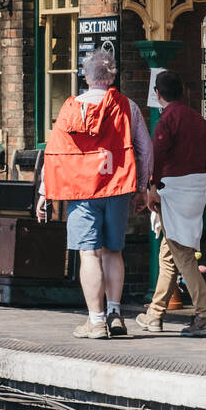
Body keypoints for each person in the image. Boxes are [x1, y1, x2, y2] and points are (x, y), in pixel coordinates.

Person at [37, 49, 152, 339]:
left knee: (89, 253)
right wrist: (141, 187)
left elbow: (54, 153)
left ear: (86, 77)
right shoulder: (128, 107)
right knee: (114, 251)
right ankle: (115, 313)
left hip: (81, 190)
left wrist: (44, 192)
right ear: (112, 76)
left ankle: (96, 320)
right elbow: (145, 149)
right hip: (116, 188)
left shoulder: (70, 108)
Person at [137, 70, 206, 337]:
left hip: (172, 190)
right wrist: (200, 187)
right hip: (196, 189)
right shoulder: (199, 119)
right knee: (169, 255)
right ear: (182, 90)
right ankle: (155, 315)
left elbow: (157, 156)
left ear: (157, 94)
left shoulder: (167, 120)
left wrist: (151, 187)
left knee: (182, 256)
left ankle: (204, 315)